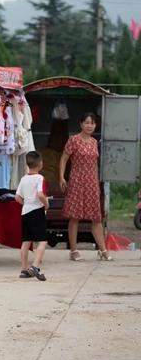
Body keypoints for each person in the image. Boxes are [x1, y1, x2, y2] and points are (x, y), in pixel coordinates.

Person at [59, 112, 112, 262]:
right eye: (87, 122)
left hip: (92, 183)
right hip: (76, 181)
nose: (90, 125)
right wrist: (61, 176)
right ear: (81, 124)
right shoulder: (73, 140)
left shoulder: (95, 142)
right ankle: (73, 251)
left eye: (92, 123)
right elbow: (64, 158)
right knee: (75, 217)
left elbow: (95, 163)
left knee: (96, 217)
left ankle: (103, 250)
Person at [15, 151, 49, 281]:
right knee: (42, 241)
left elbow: (17, 197)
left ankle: (24, 269)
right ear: (40, 164)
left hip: (25, 212)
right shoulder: (40, 178)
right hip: (36, 211)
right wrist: (45, 204)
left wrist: (26, 203)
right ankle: (35, 266)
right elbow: (40, 194)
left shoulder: (23, 178)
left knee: (26, 242)